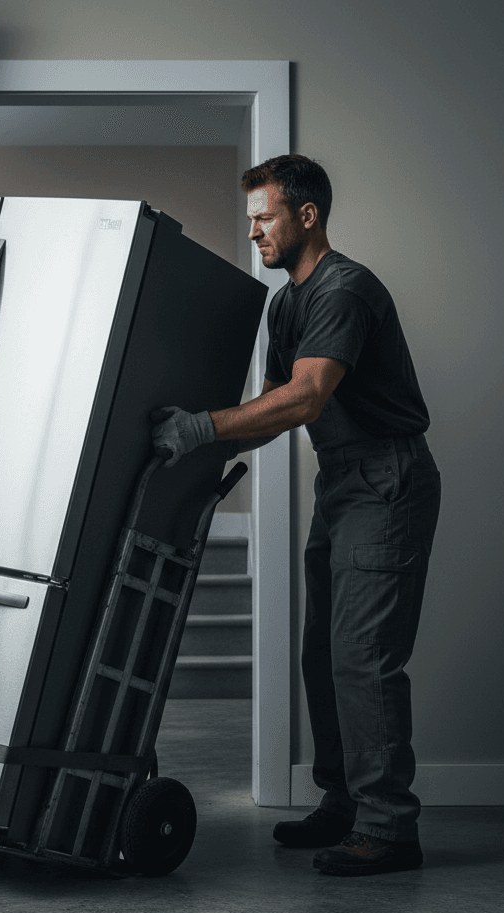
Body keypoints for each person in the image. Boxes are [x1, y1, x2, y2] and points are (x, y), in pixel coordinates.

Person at [151, 154, 441, 876]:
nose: (253, 231)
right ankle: (344, 804)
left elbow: (306, 397)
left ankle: (389, 828)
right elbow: (272, 416)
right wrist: (189, 452)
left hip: (387, 478)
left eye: (264, 216)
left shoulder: (345, 289)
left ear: (307, 215)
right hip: (343, 481)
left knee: (364, 659)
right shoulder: (286, 305)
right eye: (251, 218)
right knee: (323, 655)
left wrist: (203, 427)